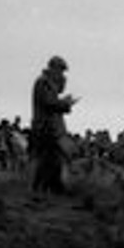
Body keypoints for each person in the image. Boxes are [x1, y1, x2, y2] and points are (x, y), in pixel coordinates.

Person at [30, 55, 78, 194]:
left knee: (52, 159)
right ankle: (43, 189)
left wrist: (63, 100)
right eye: (61, 70)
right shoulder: (43, 82)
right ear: (54, 68)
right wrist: (66, 104)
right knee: (50, 159)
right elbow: (49, 103)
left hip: (49, 127)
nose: (62, 74)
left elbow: (52, 101)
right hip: (46, 128)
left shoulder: (47, 83)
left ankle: (49, 188)